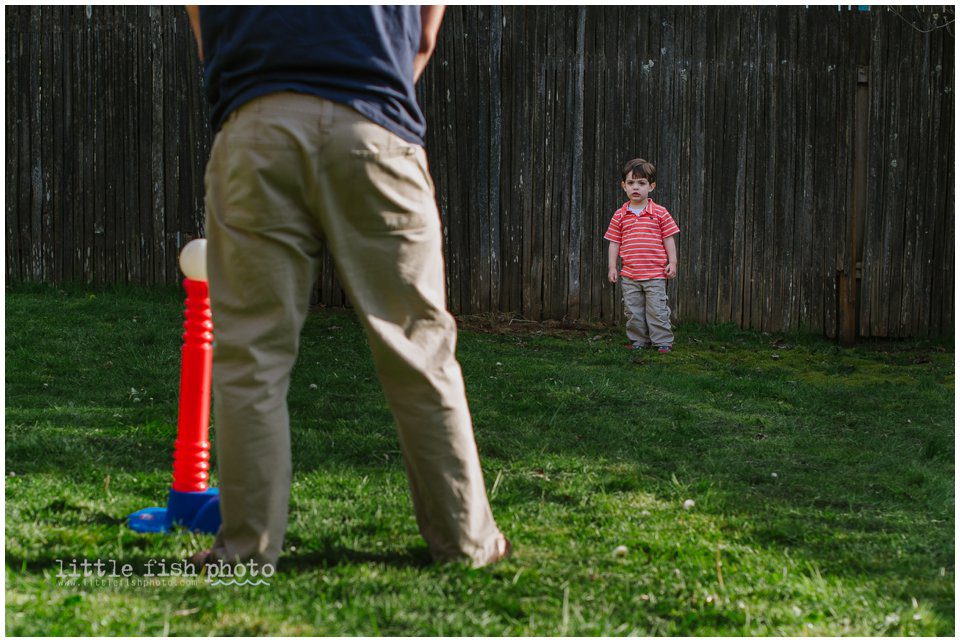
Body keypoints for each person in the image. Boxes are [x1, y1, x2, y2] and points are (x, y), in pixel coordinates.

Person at [184, 6, 510, 571]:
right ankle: (465, 544)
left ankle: (243, 553)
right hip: (374, 126)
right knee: (418, 347)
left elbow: (204, 33)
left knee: (252, 356)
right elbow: (425, 37)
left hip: (258, 130)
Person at [604, 158, 680, 353]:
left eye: (641, 183)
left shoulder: (660, 213)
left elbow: (669, 238)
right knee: (633, 311)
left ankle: (662, 341)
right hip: (630, 274)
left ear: (651, 186)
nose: (635, 187)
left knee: (657, 310)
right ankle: (638, 341)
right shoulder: (620, 215)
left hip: (655, 274)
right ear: (624, 186)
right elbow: (614, 242)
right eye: (631, 183)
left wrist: (673, 262)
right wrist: (612, 267)